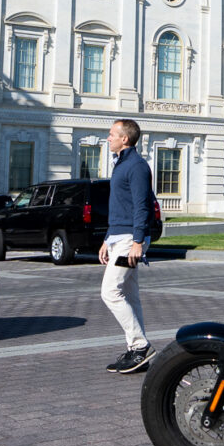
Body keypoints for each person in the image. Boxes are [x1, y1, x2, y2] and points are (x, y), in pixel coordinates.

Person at [99, 118, 155, 374]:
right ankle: (137, 352)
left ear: (125, 139)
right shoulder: (121, 164)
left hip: (129, 240)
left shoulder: (137, 166)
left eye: (112, 134)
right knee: (130, 295)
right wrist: (106, 239)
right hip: (118, 238)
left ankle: (140, 346)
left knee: (110, 291)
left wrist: (137, 242)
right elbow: (121, 205)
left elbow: (142, 206)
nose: (108, 138)